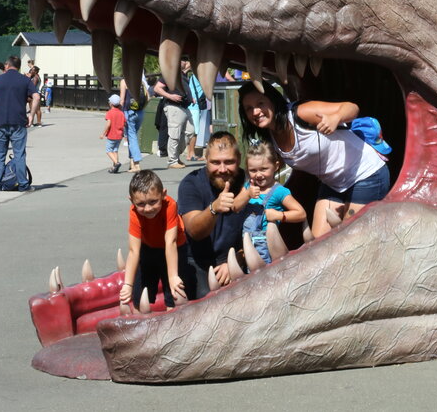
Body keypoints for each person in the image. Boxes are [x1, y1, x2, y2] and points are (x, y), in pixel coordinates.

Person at [238, 82, 390, 239]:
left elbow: (352, 108)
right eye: (249, 108)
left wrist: (336, 117)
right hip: (333, 184)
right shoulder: (270, 137)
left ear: (272, 100)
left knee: (351, 238)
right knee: (319, 241)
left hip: (365, 174)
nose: (255, 111)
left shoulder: (300, 113)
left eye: (260, 103)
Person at [177, 131, 247, 299]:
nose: (222, 169)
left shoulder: (249, 182)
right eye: (215, 162)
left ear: (239, 159)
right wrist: (214, 208)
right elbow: (194, 231)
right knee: (207, 297)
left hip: (238, 257)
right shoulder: (191, 183)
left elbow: (262, 230)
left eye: (229, 162)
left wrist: (236, 260)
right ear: (206, 159)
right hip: (197, 261)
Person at [120, 170, 190, 309]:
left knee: (174, 293)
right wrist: (128, 284)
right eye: (141, 204)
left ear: (163, 195)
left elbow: (171, 242)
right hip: (149, 248)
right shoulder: (134, 212)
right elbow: (134, 250)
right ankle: (141, 314)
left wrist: (172, 276)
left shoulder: (170, 205)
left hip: (174, 248)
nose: (148, 208)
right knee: (140, 296)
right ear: (132, 201)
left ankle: (172, 310)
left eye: (153, 202)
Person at [235, 141, 305, 266]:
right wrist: (246, 195)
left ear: (276, 166)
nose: (258, 175)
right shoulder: (248, 187)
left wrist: (279, 215)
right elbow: (235, 207)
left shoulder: (279, 191)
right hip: (247, 246)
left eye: (264, 169)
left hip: (268, 248)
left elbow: (301, 214)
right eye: (253, 170)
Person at [0, 56, 39, 192]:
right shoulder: (24, 80)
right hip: (18, 121)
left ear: (7, 65)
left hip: (0, 122)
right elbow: (36, 96)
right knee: (19, 154)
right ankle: (23, 184)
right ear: (19, 66)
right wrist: (31, 115)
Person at [152, 59, 195, 169]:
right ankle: (172, 161)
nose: (185, 62)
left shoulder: (183, 75)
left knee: (190, 131)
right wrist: (170, 96)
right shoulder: (170, 73)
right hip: (174, 107)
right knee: (174, 135)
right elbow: (157, 88)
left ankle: (176, 156)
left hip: (184, 107)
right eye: (183, 60)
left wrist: (191, 98)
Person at [119, 75, 148, 173]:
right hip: (140, 112)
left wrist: (120, 113)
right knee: (132, 137)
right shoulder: (140, 81)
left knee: (131, 137)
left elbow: (122, 100)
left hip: (129, 112)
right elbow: (148, 97)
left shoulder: (124, 81)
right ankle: (132, 163)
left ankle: (136, 163)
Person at [101, 94, 126, 173]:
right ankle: (115, 167)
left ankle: (116, 163)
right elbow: (125, 123)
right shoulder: (121, 113)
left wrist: (103, 133)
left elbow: (108, 124)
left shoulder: (110, 113)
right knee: (115, 150)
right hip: (119, 135)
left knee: (108, 150)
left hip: (112, 135)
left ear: (111, 104)